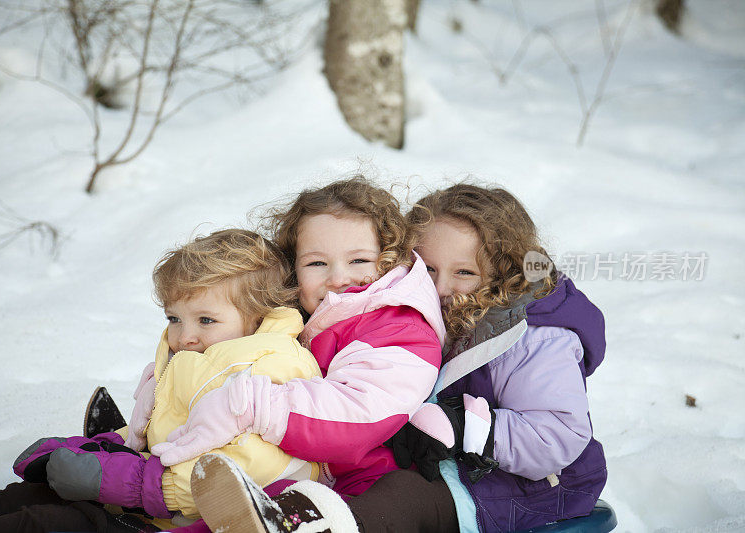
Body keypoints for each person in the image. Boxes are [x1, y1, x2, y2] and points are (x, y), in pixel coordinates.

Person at [187, 183, 607, 533]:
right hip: (440, 463)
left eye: (464, 273)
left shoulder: (534, 337)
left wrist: (465, 426)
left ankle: (317, 528)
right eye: (430, 269)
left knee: (399, 499)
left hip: (527, 486)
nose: (442, 287)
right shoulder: (418, 317)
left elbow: (559, 434)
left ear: (505, 271)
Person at [0, 229, 323, 532]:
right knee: (19, 497)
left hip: (176, 522)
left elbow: (243, 474)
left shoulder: (269, 368)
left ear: (258, 317)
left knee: (44, 523)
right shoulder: (195, 358)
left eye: (205, 320)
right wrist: (97, 451)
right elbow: (163, 436)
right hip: (144, 503)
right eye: (174, 318)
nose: (184, 335)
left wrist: (117, 480)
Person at [149, 176, 446, 533]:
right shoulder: (299, 314)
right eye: (317, 264)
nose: (338, 278)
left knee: (257, 513)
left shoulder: (400, 329)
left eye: (359, 260)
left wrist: (250, 405)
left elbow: (356, 412)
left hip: (361, 480)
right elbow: (227, 354)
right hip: (289, 462)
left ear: (388, 261)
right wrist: (165, 387)